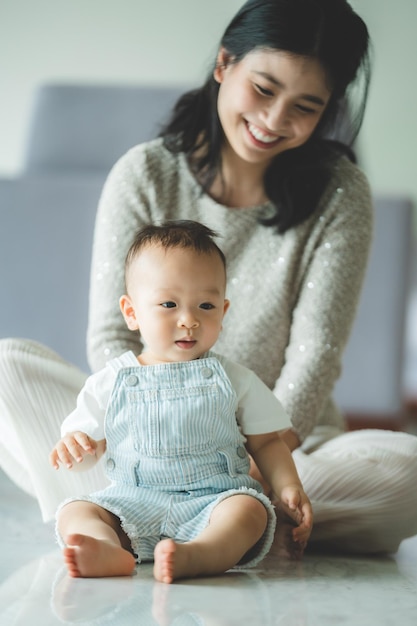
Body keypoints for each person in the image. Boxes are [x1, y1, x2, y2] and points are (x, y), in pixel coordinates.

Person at [1, 0, 417, 555]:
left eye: (306, 106)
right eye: (264, 89)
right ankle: (213, 522)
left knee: (406, 471)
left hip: (279, 443)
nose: (274, 121)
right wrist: (139, 436)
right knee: (8, 369)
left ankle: (207, 516)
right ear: (225, 64)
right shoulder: (145, 173)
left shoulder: (341, 194)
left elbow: (316, 352)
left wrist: (264, 461)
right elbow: (110, 335)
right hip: (139, 444)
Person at [49, 220, 313, 582]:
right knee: (76, 511)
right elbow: (87, 450)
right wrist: (76, 449)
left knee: (250, 511)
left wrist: (287, 486)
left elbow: (267, 441)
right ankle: (107, 548)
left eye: (206, 305)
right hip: (133, 501)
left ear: (224, 310)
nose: (189, 320)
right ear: (131, 312)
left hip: (213, 500)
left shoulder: (234, 379)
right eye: (169, 304)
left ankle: (203, 553)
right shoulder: (110, 381)